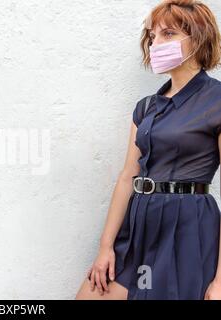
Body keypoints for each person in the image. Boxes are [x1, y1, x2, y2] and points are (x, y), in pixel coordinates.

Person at [75, 0, 221, 300]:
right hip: (140, 225)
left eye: (168, 34)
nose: (156, 44)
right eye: (152, 37)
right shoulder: (146, 108)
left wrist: (220, 280)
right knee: (90, 295)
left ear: (199, 37)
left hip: (187, 228)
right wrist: (105, 247)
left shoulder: (217, 101)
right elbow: (128, 175)